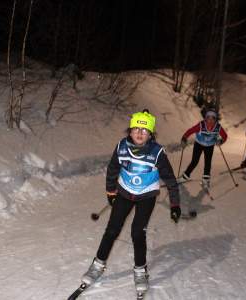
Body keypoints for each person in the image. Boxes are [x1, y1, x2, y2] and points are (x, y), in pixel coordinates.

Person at [79, 110, 181, 296]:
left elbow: (170, 179)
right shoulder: (121, 147)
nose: (140, 133)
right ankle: (98, 266)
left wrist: (175, 204)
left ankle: (140, 271)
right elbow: (112, 168)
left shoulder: (157, 152)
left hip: (146, 196)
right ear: (130, 131)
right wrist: (111, 191)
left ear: (150, 134)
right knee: (112, 229)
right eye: (136, 129)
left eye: (144, 130)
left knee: (137, 233)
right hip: (125, 192)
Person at [179, 109, 228, 187]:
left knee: (208, 162)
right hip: (199, 144)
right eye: (209, 118)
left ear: (215, 119)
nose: (210, 120)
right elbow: (190, 131)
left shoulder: (218, 127)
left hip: (210, 146)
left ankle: (205, 179)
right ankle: (185, 176)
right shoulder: (201, 125)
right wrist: (184, 139)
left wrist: (220, 141)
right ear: (206, 118)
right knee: (195, 161)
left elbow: (225, 136)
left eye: (213, 118)